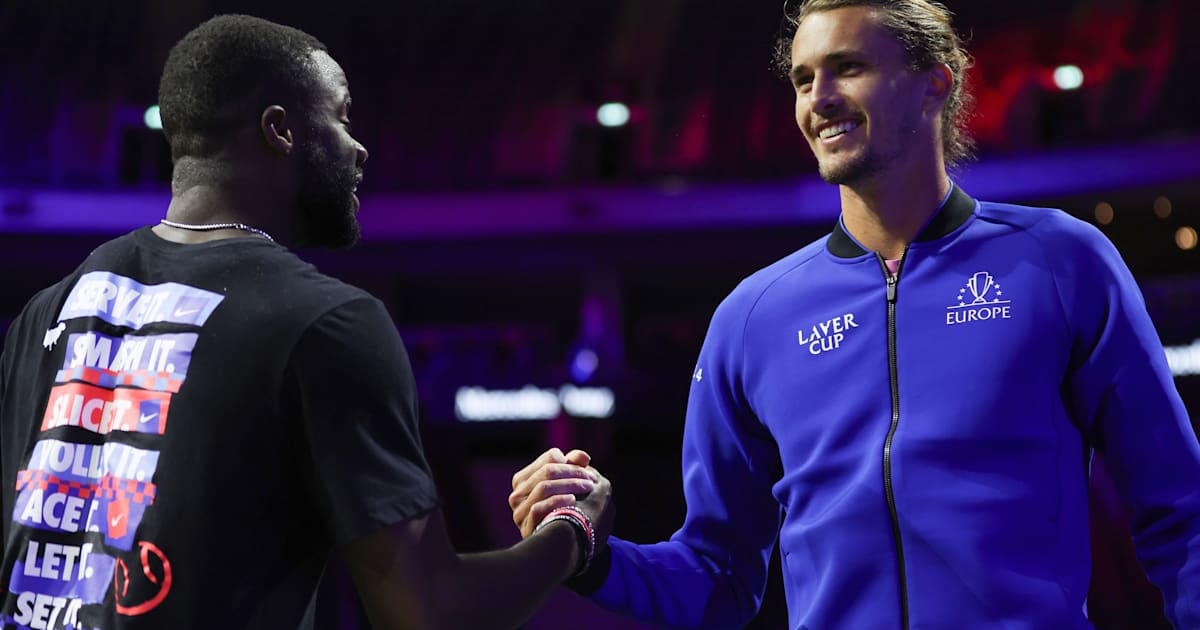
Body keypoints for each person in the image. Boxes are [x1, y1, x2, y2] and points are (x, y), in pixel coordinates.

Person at [508, 0, 1200, 627]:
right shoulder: (753, 318)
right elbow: (715, 576)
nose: (820, 99)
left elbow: (1182, 514)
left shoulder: (1060, 262)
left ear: (937, 82)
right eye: (804, 80)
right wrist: (587, 551)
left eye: (848, 69)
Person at [0, 14, 607, 629]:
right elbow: (428, 613)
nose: (359, 146)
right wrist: (573, 534)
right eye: (341, 118)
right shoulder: (326, 322)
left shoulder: (47, 312)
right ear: (281, 130)